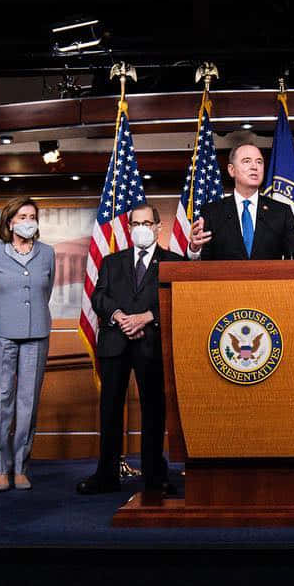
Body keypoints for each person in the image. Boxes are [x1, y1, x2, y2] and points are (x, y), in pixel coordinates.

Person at [78, 203, 181, 497]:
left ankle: (154, 476)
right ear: (129, 228)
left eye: (147, 223)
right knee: (110, 410)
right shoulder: (112, 262)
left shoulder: (173, 262)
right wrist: (119, 316)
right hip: (115, 343)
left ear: (158, 227)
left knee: (154, 411)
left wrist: (147, 317)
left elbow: (178, 298)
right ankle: (106, 475)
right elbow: (99, 297)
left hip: (152, 343)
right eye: (136, 224)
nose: (142, 229)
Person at [0, 197, 54, 493]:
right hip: (1, 335)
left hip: (37, 335)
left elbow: (45, 291)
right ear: (9, 222)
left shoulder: (47, 253)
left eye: (32, 216)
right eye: (22, 216)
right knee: (1, 400)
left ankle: (21, 467)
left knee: (28, 402)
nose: (28, 221)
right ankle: (0, 470)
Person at [187, 142, 294, 260]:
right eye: (247, 161)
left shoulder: (281, 212)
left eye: (259, 162)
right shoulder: (212, 212)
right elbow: (203, 264)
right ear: (231, 170)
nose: (254, 167)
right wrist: (194, 249)